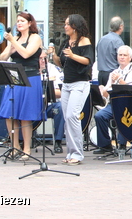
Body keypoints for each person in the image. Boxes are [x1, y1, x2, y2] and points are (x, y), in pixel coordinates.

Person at [0, 12, 43, 161]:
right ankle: (14, 146)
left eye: (22, 21)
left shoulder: (35, 38)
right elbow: (2, 57)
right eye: (17, 21)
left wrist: (13, 43)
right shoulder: (14, 38)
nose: (19, 23)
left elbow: (27, 54)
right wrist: (9, 48)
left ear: (30, 23)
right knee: (9, 113)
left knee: (25, 115)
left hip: (30, 77)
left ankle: (27, 148)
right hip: (14, 77)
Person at [54, 14, 94, 165]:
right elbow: (61, 62)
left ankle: (77, 153)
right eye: (64, 24)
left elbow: (88, 61)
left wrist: (72, 54)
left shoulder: (84, 41)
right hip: (67, 84)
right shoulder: (66, 42)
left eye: (67, 24)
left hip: (80, 83)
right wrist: (53, 55)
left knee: (72, 116)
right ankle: (70, 152)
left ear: (75, 26)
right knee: (67, 118)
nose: (65, 27)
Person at [93, 45, 132, 155]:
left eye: (125, 55)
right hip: (114, 103)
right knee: (99, 116)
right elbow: (106, 94)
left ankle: (124, 144)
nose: (122, 57)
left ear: (130, 58)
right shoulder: (113, 72)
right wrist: (104, 88)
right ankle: (105, 145)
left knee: (122, 116)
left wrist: (120, 80)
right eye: (120, 55)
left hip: (130, 104)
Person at [38, 48, 66, 154]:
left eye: (45, 58)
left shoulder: (54, 69)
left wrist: (47, 92)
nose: (42, 61)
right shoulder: (31, 70)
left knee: (60, 108)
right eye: (40, 58)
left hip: (50, 105)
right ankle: (24, 140)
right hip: (35, 105)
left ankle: (58, 141)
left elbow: (61, 92)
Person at [95, 16, 125, 87]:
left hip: (101, 74)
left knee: (103, 96)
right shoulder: (118, 41)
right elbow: (121, 59)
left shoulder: (101, 39)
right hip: (112, 75)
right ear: (120, 27)